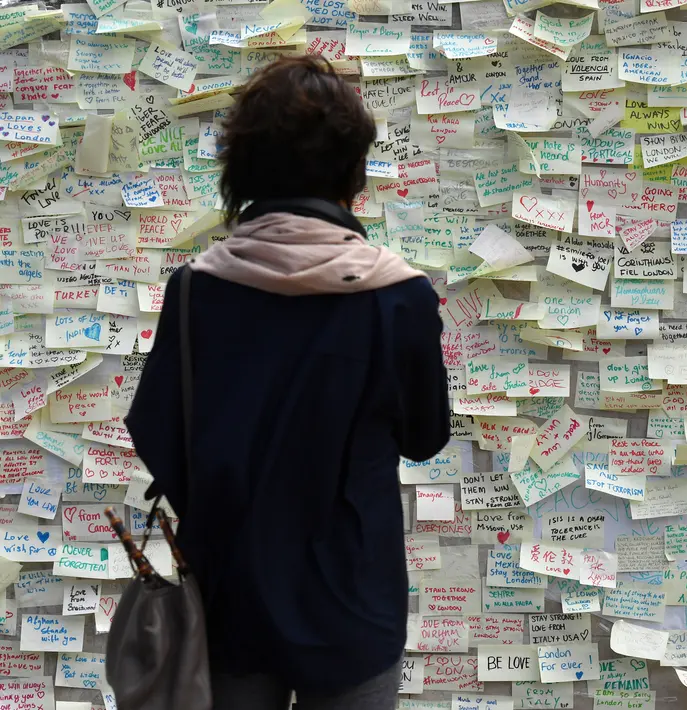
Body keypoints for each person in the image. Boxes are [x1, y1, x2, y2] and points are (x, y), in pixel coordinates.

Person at [126, 56, 450, 710]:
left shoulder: (194, 292)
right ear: (353, 170)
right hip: (354, 604)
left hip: (229, 599)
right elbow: (424, 439)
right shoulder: (399, 296)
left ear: (241, 171)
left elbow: (155, 433)